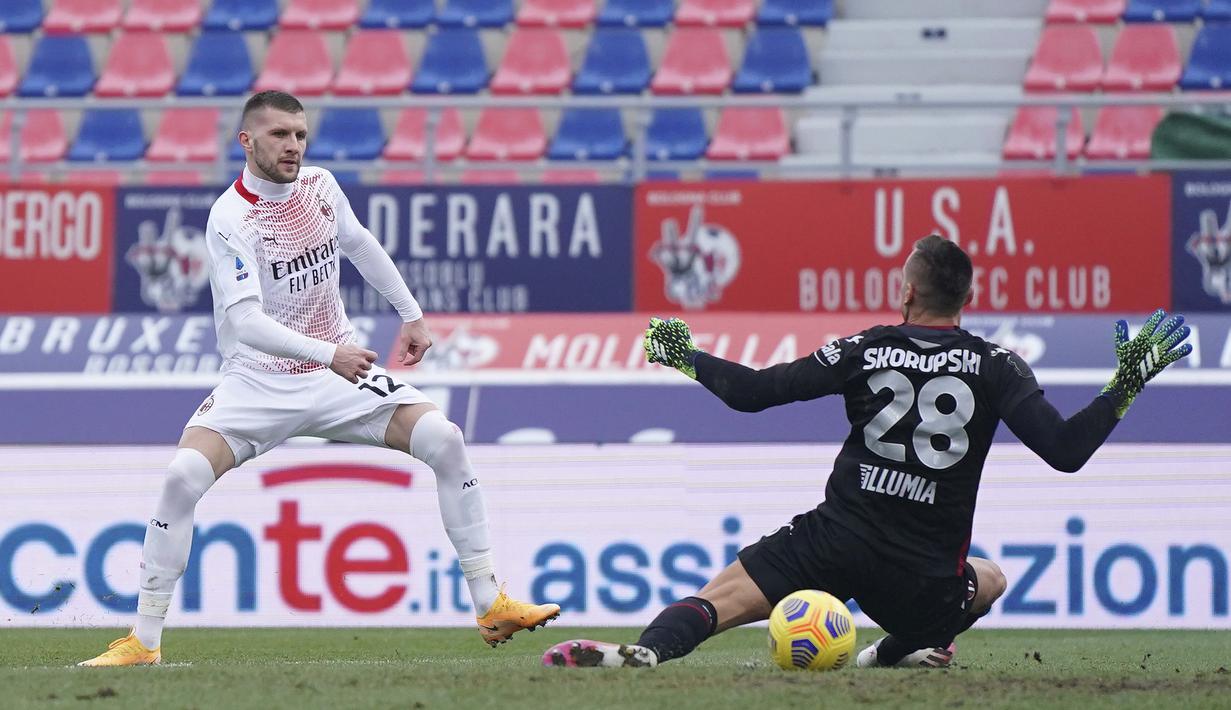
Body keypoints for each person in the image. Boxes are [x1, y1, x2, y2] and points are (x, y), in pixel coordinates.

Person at [543, 234, 1191, 669]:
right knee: (990, 578)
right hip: (922, 577)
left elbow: (754, 393)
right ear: (966, 300)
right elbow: (1064, 451)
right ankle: (893, 653)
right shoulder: (998, 365)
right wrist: (1126, 381)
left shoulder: (866, 347)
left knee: (722, 596)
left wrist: (685, 355)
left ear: (907, 293)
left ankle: (648, 653)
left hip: (834, 541)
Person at [80, 91, 559, 667]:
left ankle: (490, 604)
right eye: (280, 134)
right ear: (247, 141)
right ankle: (144, 642)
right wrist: (329, 352)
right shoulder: (230, 217)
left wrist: (411, 314)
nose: (293, 146)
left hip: (338, 375)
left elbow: (359, 245)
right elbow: (247, 322)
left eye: (301, 135)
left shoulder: (322, 187)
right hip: (258, 383)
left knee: (446, 441)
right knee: (183, 476)